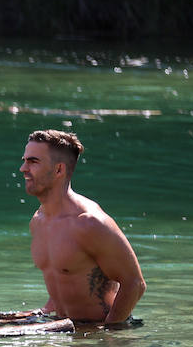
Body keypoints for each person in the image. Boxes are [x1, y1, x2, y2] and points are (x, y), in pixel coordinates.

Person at [21, 129, 145, 326]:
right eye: (25, 160)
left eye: (33, 161)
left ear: (59, 170)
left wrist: (107, 336)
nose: (23, 169)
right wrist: (42, 312)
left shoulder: (90, 223)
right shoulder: (38, 221)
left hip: (100, 334)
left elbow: (135, 284)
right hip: (64, 330)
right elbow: (64, 277)